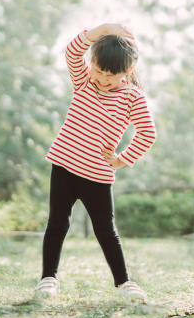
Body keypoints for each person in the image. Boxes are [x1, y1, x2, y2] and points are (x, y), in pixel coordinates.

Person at [34, 23, 156, 301]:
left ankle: (124, 283)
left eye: (110, 76)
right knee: (57, 223)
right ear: (92, 64)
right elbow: (71, 52)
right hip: (63, 166)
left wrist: (122, 159)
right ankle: (48, 278)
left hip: (97, 176)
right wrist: (101, 30)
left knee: (106, 230)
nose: (102, 79)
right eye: (98, 70)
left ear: (128, 72)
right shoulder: (83, 82)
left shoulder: (132, 97)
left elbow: (147, 133)